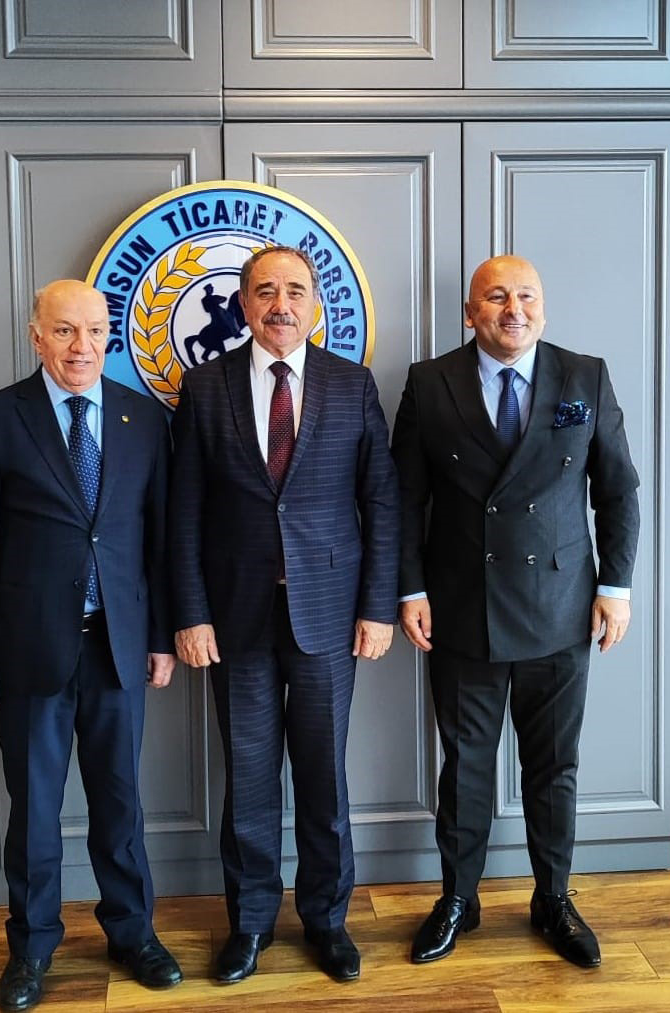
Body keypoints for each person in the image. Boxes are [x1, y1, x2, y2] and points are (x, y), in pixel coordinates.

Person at [0, 279, 183, 1011]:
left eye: (96, 331)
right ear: (36, 336)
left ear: (111, 337)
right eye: (66, 330)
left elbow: (158, 542)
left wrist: (160, 637)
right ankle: (32, 947)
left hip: (118, 647)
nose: (83, 347)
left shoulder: (144, 418)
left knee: (120, 804)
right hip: (25, 654)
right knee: (37, 811)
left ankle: (133, 933)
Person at [390, 255, 640, 969]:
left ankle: (552, 899)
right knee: (465, 764)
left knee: (553, 766)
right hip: (459, 606)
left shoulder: (584, 375)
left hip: (561, 607)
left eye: (526, 295)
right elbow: (403, 499)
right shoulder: (428, 382)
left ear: (543, 306)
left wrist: (616, 586)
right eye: (495, 297)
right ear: (470, 312)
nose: (513, 309)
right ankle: (458, 899)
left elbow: (617, 490)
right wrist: (409, 589)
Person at [169, 247, 399, 985]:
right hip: (234, 618)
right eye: (265, 291)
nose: (280, 304)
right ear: (242, 304)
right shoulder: (204, 387)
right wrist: (191, 613)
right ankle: (251, 923)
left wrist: (377, 607)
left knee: (324, 778)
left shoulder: (351, 383)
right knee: (249, 779)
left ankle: (327, 920)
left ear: (315, 305)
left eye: (295, 291)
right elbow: (183, 512)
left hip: (329, 615)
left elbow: (381, 501)